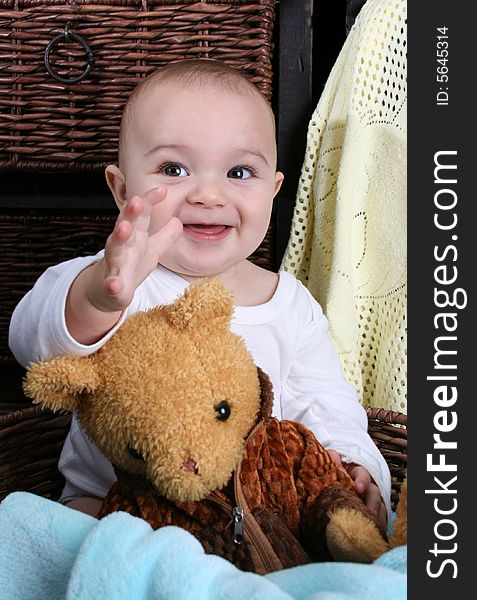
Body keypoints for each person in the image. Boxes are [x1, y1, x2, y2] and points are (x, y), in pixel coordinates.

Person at [9, 59, 390, 528]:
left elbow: (329, 404)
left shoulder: (290, 306)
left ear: (273, 192)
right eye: (174, 168)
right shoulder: (118, 277)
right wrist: (100, 300)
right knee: (45, 533)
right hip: (115, 512)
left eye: (239, 172)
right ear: (122, 189)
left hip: (252, 519)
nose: (208, 194)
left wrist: (357, 467)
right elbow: (34, 348)